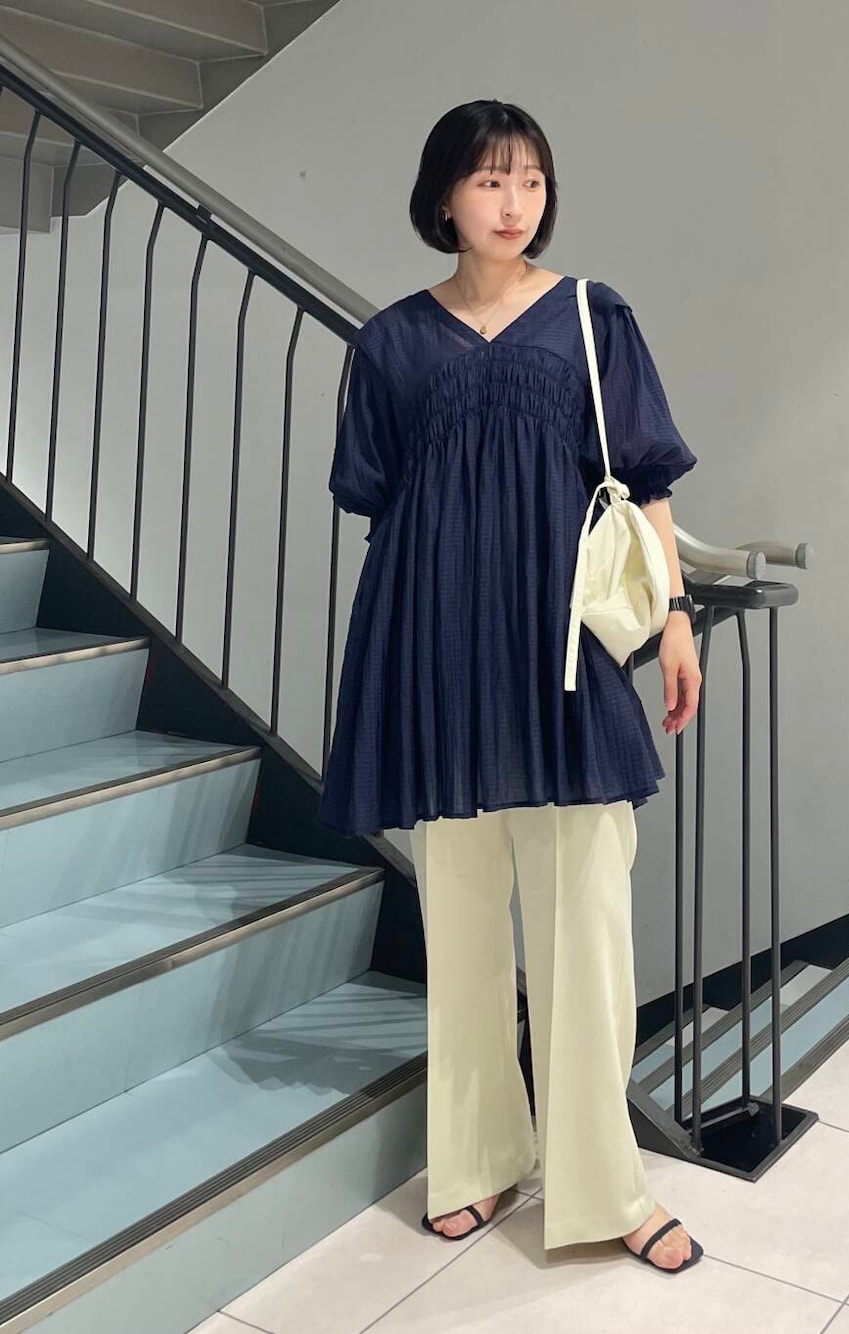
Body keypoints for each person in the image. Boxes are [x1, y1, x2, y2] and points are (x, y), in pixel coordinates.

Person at [320, 99, 704, 1274]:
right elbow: (382, 497)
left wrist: (675, 614)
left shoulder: (591, 316)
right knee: (462, 922)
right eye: (489, 181)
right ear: (444, 196)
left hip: (563, 656)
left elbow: (644, 479)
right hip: (433, 648)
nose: (513, 202)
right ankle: (478, 1158)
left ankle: (605, 1186)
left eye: (530, 180)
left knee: (587, 925)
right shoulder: (390, 343)